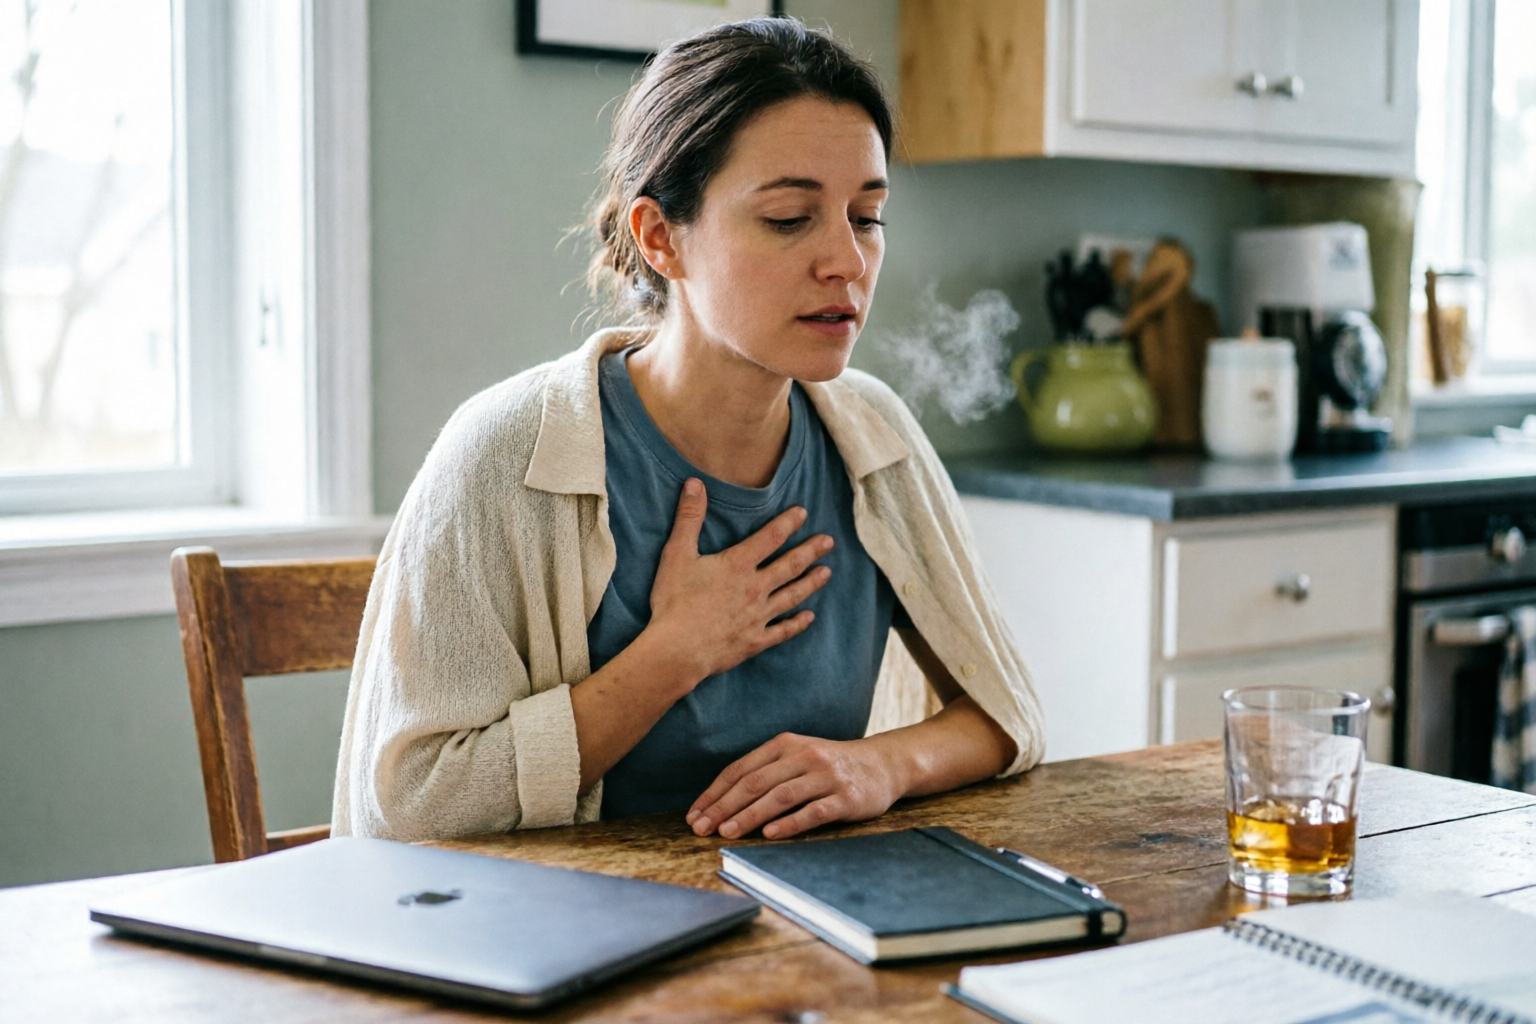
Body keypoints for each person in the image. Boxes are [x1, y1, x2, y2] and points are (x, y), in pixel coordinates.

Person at [332, 16, 1045, 843]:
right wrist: (674, 653)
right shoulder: (506, 451)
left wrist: (877, 765)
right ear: (660, 237)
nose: (847, 261)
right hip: (570, 936)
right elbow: (417, 801)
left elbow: (1006, 713)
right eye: (788, 218)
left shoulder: (871, 432)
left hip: (814, 927)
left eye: (867, 216)